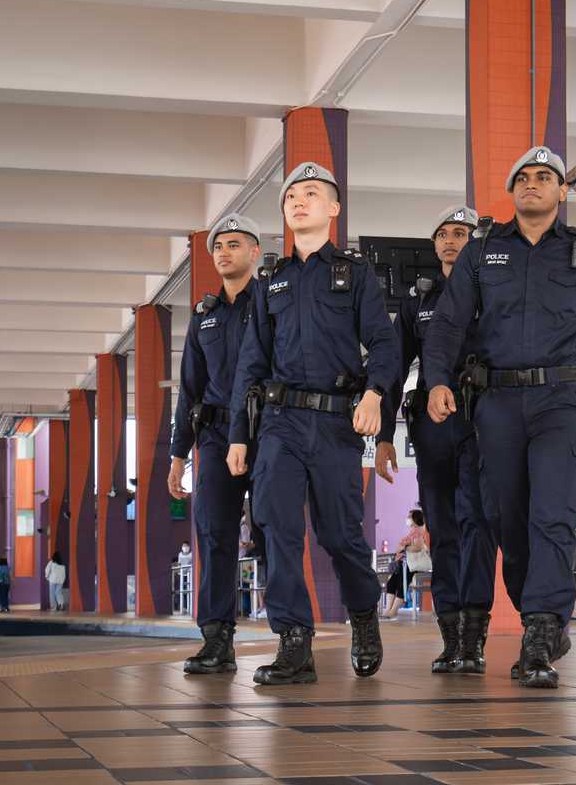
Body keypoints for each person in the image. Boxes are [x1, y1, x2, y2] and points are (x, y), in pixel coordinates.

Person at [425, 146, 576, 689]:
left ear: (561, 191)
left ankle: (541, 633)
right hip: (495, 403)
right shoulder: (481, 254)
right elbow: (449, 323)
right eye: (522, 177)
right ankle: (539, 613)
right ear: (511, 190)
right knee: (507, 520)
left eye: (544, 177)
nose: (532, 184)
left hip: (562, 402)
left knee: (552, 513)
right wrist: (436, 381)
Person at [227, 162, 400, 685]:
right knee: (276, 529)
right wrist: (238, 434)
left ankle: (365, 616)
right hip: (279, 424)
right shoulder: (270, 281)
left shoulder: (355, 272)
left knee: (339, 535)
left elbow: (386, 345)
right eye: (291, 197)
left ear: (333, 208)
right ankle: (294, 643)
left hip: (334, 425)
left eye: (310, 194)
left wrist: (373, 395)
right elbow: (250, 363)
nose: (298, 202)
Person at [376, 204, 497, 673]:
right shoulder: (418, 302)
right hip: (432, 424)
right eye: (444, 233)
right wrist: (385, 435)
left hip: (483, 421)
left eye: (462, 232)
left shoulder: (492, 295)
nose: (452, 240)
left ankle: (474, 637)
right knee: (443, 529)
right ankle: (451, 638)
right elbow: (391, 368)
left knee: (479, 524)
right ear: (434, 244)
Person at [168, 212, 264, 676]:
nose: (224, 252)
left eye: (234, 244)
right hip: (214, 436)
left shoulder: (270, 303)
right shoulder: (204, 317)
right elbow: (189, 388)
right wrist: (177, 456)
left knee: (272, 532)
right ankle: (216, 639)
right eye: (218, 247)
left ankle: (289, 636)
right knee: (214, 535)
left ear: (255, 252)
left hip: (266, 433)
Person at [380, 509, 431, 619]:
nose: (407, 518)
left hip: (414, 565)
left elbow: (418, 548)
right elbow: (400, 548)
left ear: (415, 519)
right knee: (391, 582)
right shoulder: (411, 533)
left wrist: (405, 547)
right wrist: (404, 547)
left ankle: (393, 610)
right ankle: (388, 609)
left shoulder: (420, 532)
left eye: (410, 516)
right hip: (406, 564)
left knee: (401, 582)